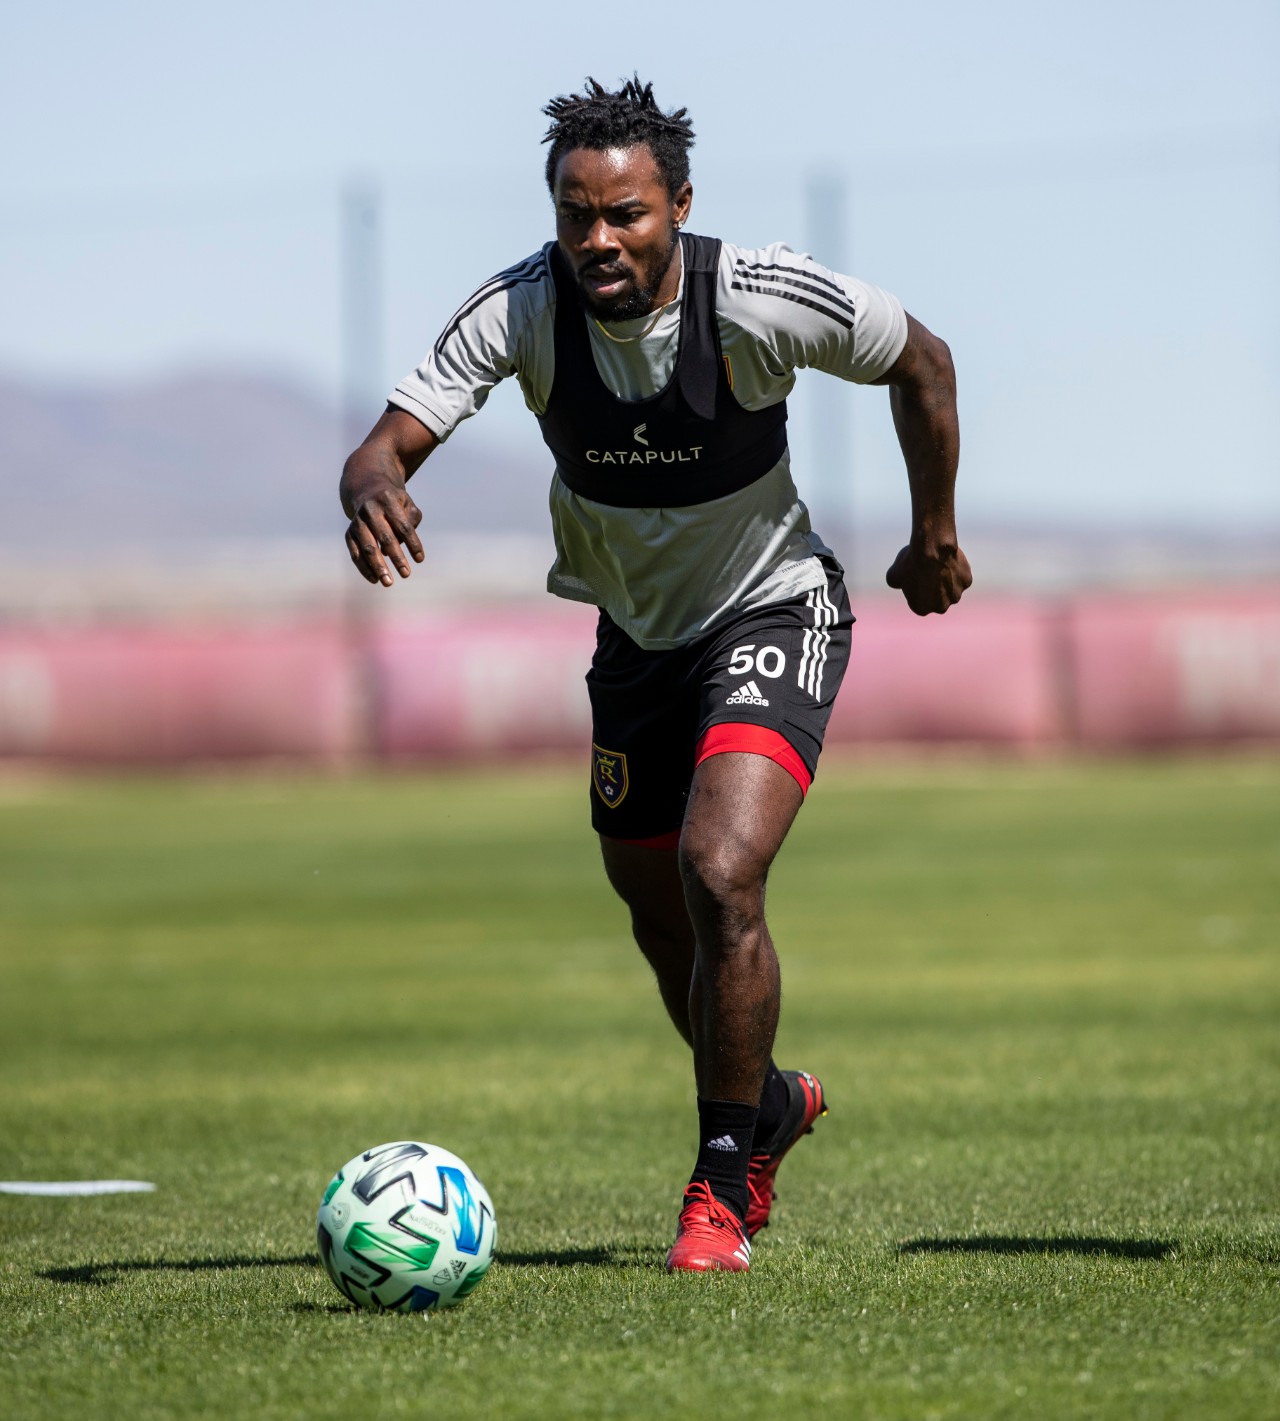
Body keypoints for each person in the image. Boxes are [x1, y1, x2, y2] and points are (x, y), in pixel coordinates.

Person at [339, 76, 971, 1273]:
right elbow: (383, 446)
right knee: (655, 907)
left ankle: (718, 1189)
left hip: (773, 605)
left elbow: (922, 360)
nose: (598, 240)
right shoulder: (521, 308)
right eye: (575, 215)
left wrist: (932, 532)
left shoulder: (759, 295)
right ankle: (767, 1102)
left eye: (624, 214)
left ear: (678, 204)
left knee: (718, 870)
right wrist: (372, 487)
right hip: (634, 640)